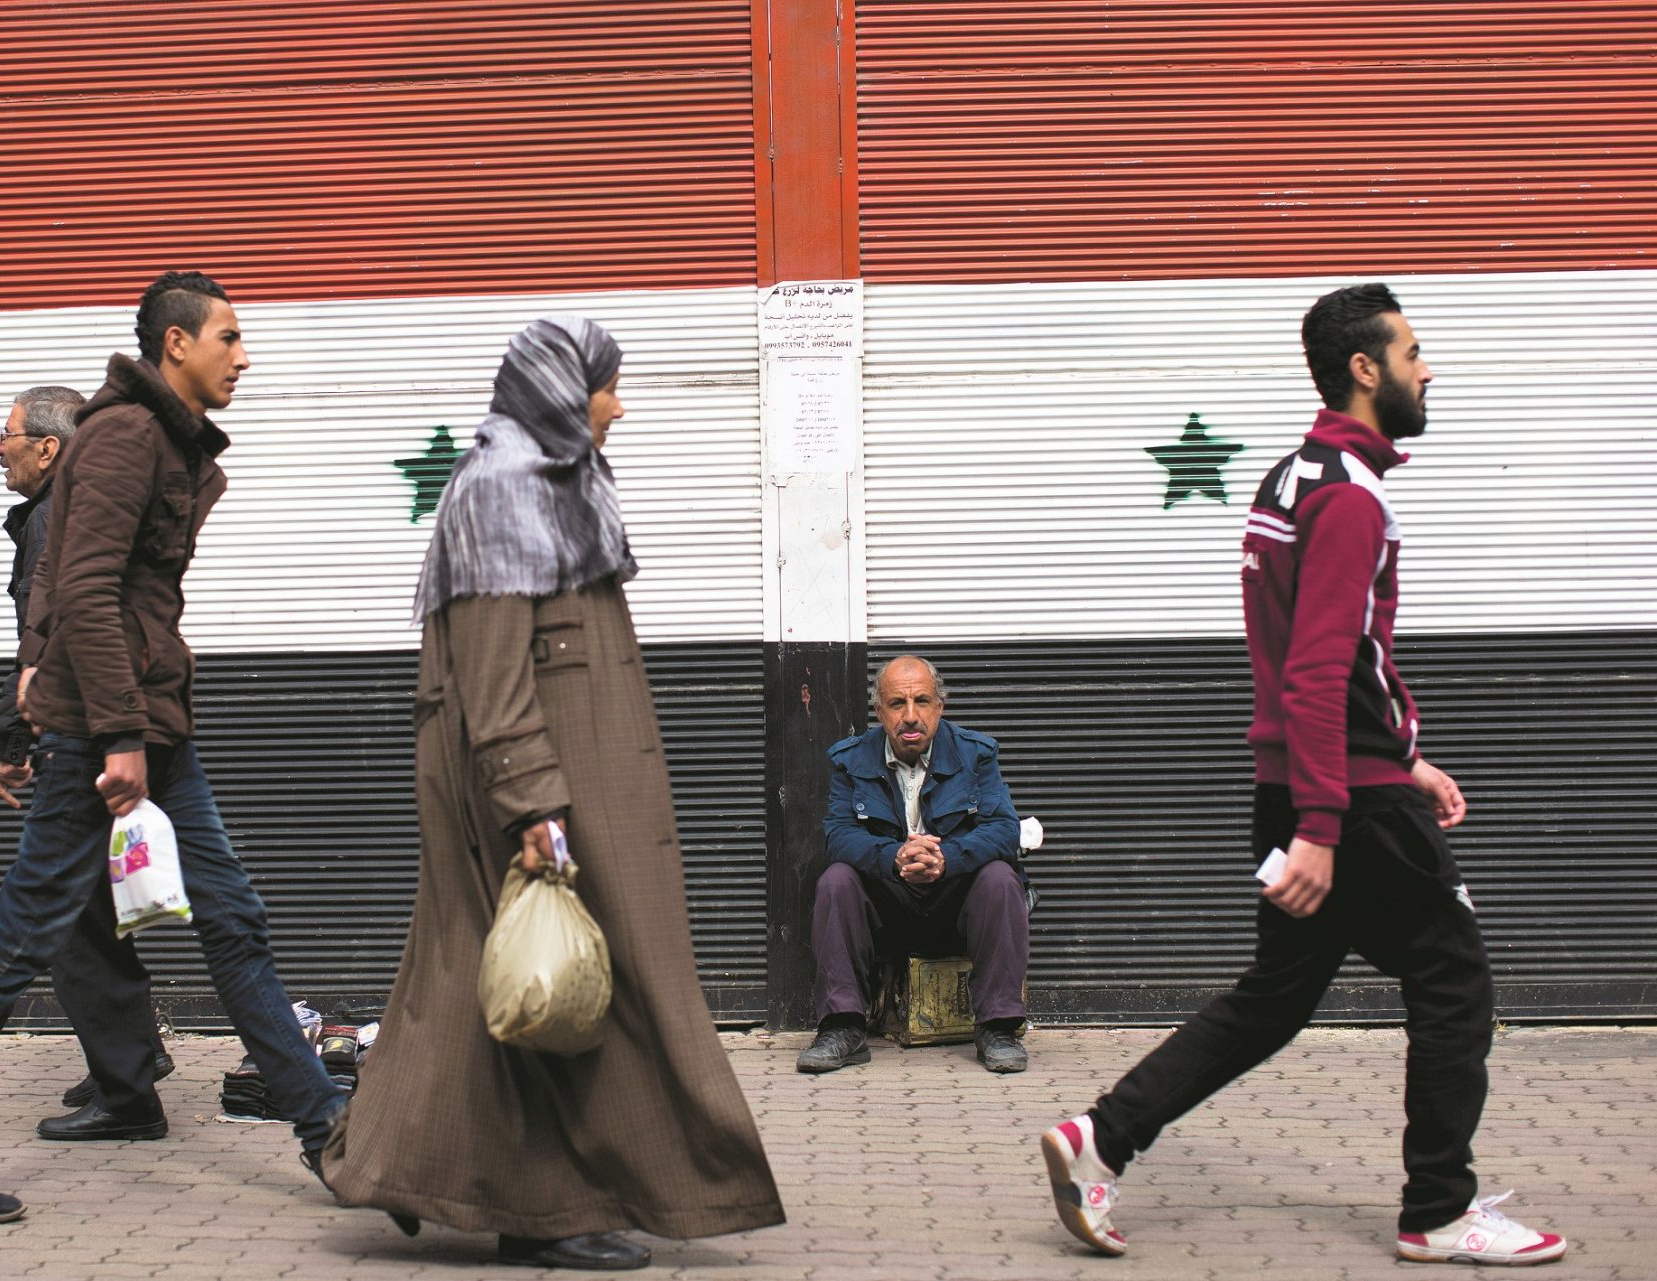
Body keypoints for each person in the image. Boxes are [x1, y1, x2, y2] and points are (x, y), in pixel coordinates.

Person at [1042, 284, 1568, 1266]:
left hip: (1318, 780)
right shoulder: (1349, 498)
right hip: (1343, 805)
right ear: (1364, 368)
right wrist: (1327, 821)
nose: (1428, 368)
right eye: (1414, 352)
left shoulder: (1293, 477)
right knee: (1455, 979)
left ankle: (1099, 1138)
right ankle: (1439, 1212)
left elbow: (1317, 658)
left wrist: (1403, 758)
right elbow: (1322, 664)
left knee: (1277, 995)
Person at [0, 271, 344, 1225]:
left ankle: (328, 1129)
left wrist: (44, 700)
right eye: (229, 337)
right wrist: (110, 733)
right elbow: (84, 588)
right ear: (177, 345)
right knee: (22, 937)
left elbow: (65, 581)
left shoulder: (158, 440)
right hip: (113, 726)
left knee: (233, 921)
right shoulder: (129, 437)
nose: (243, 356)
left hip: (147, 719)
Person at [319, 317, 785, 1271]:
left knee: (482, 987)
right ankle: (550, 1208)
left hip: (571, 784)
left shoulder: (561, 483)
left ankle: (404, 1164)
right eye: (606, 385)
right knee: (561, 991)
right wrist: (532, 806)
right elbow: (490, 681)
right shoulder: (502, 490)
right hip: (537, 793)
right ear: (561, 394)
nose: (619, 403)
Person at [0, 384, 176, 1133]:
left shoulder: (50, 524)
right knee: (95, 909)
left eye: (4, 435)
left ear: (48, 448)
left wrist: (13, 741)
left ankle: (128, 1089)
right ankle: (131, 1058)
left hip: (81, 737)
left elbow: (42, 642)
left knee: (66, 921)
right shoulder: (75, 515)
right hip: (108, 730)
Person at [797, 655, 1035, 1075]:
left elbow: (1003, 828)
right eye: (897, 704)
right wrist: (893, 857)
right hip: (890, 901)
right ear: (879, 711)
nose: (911, 716)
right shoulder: (849, 760)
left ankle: (998, 1027)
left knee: (1000, 877)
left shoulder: (975, 754)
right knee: (836, 880)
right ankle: (842, 1026)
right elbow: (839, 835)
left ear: (939, 706)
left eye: (922, 701)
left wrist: (946, 859)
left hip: (954, 897)